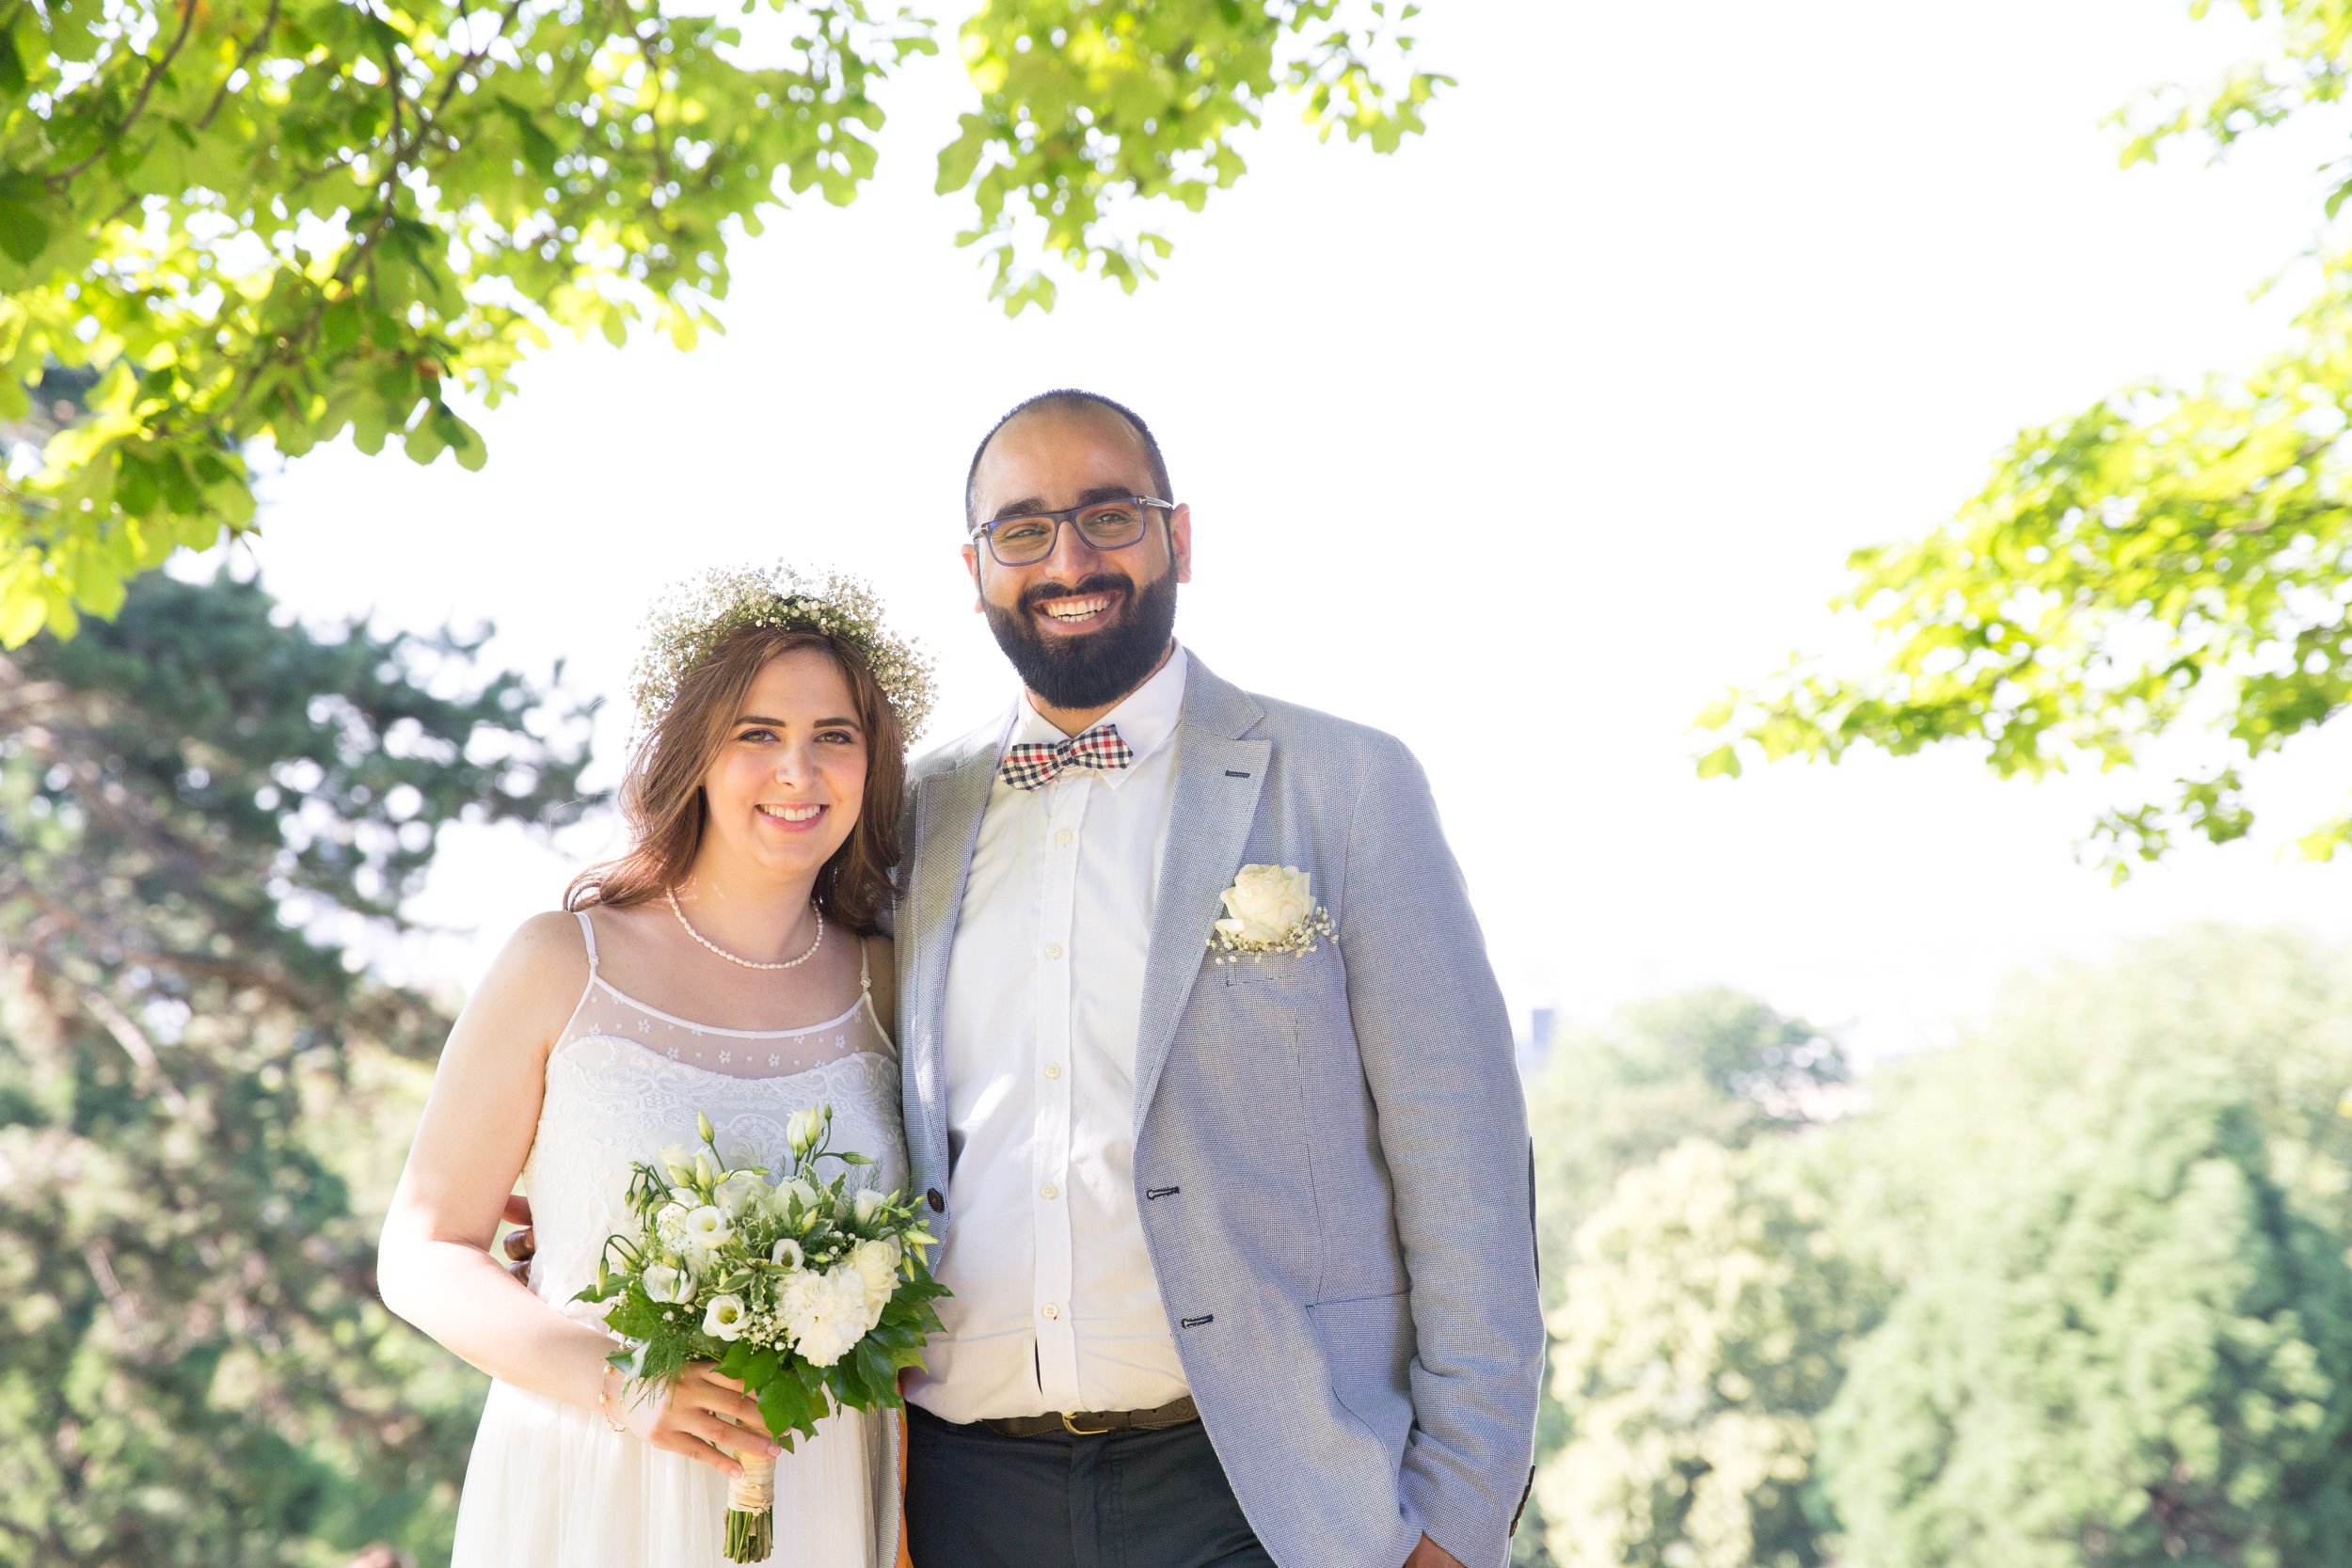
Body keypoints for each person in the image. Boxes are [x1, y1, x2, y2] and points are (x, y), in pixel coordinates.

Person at [893, 390, 1543, 1568]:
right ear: (975, 564)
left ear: (1179, 536)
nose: (1070, 558)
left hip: (1270, 1493)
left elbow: (1469, 1171)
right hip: (953, 1492)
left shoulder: (1343, 782)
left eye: (1109, 515)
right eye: (1024, 530)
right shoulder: (908, 815)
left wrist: (1459, 1509)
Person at [376, 569, 931, 1568]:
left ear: (873, 762)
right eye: (757, 733)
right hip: (593, 1484)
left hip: (820, 1487)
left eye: (834, 736)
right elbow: (421, 1251)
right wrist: (627, 1380)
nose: (797, 770)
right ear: (696, 754)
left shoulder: (891, 984)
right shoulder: (561, 960)